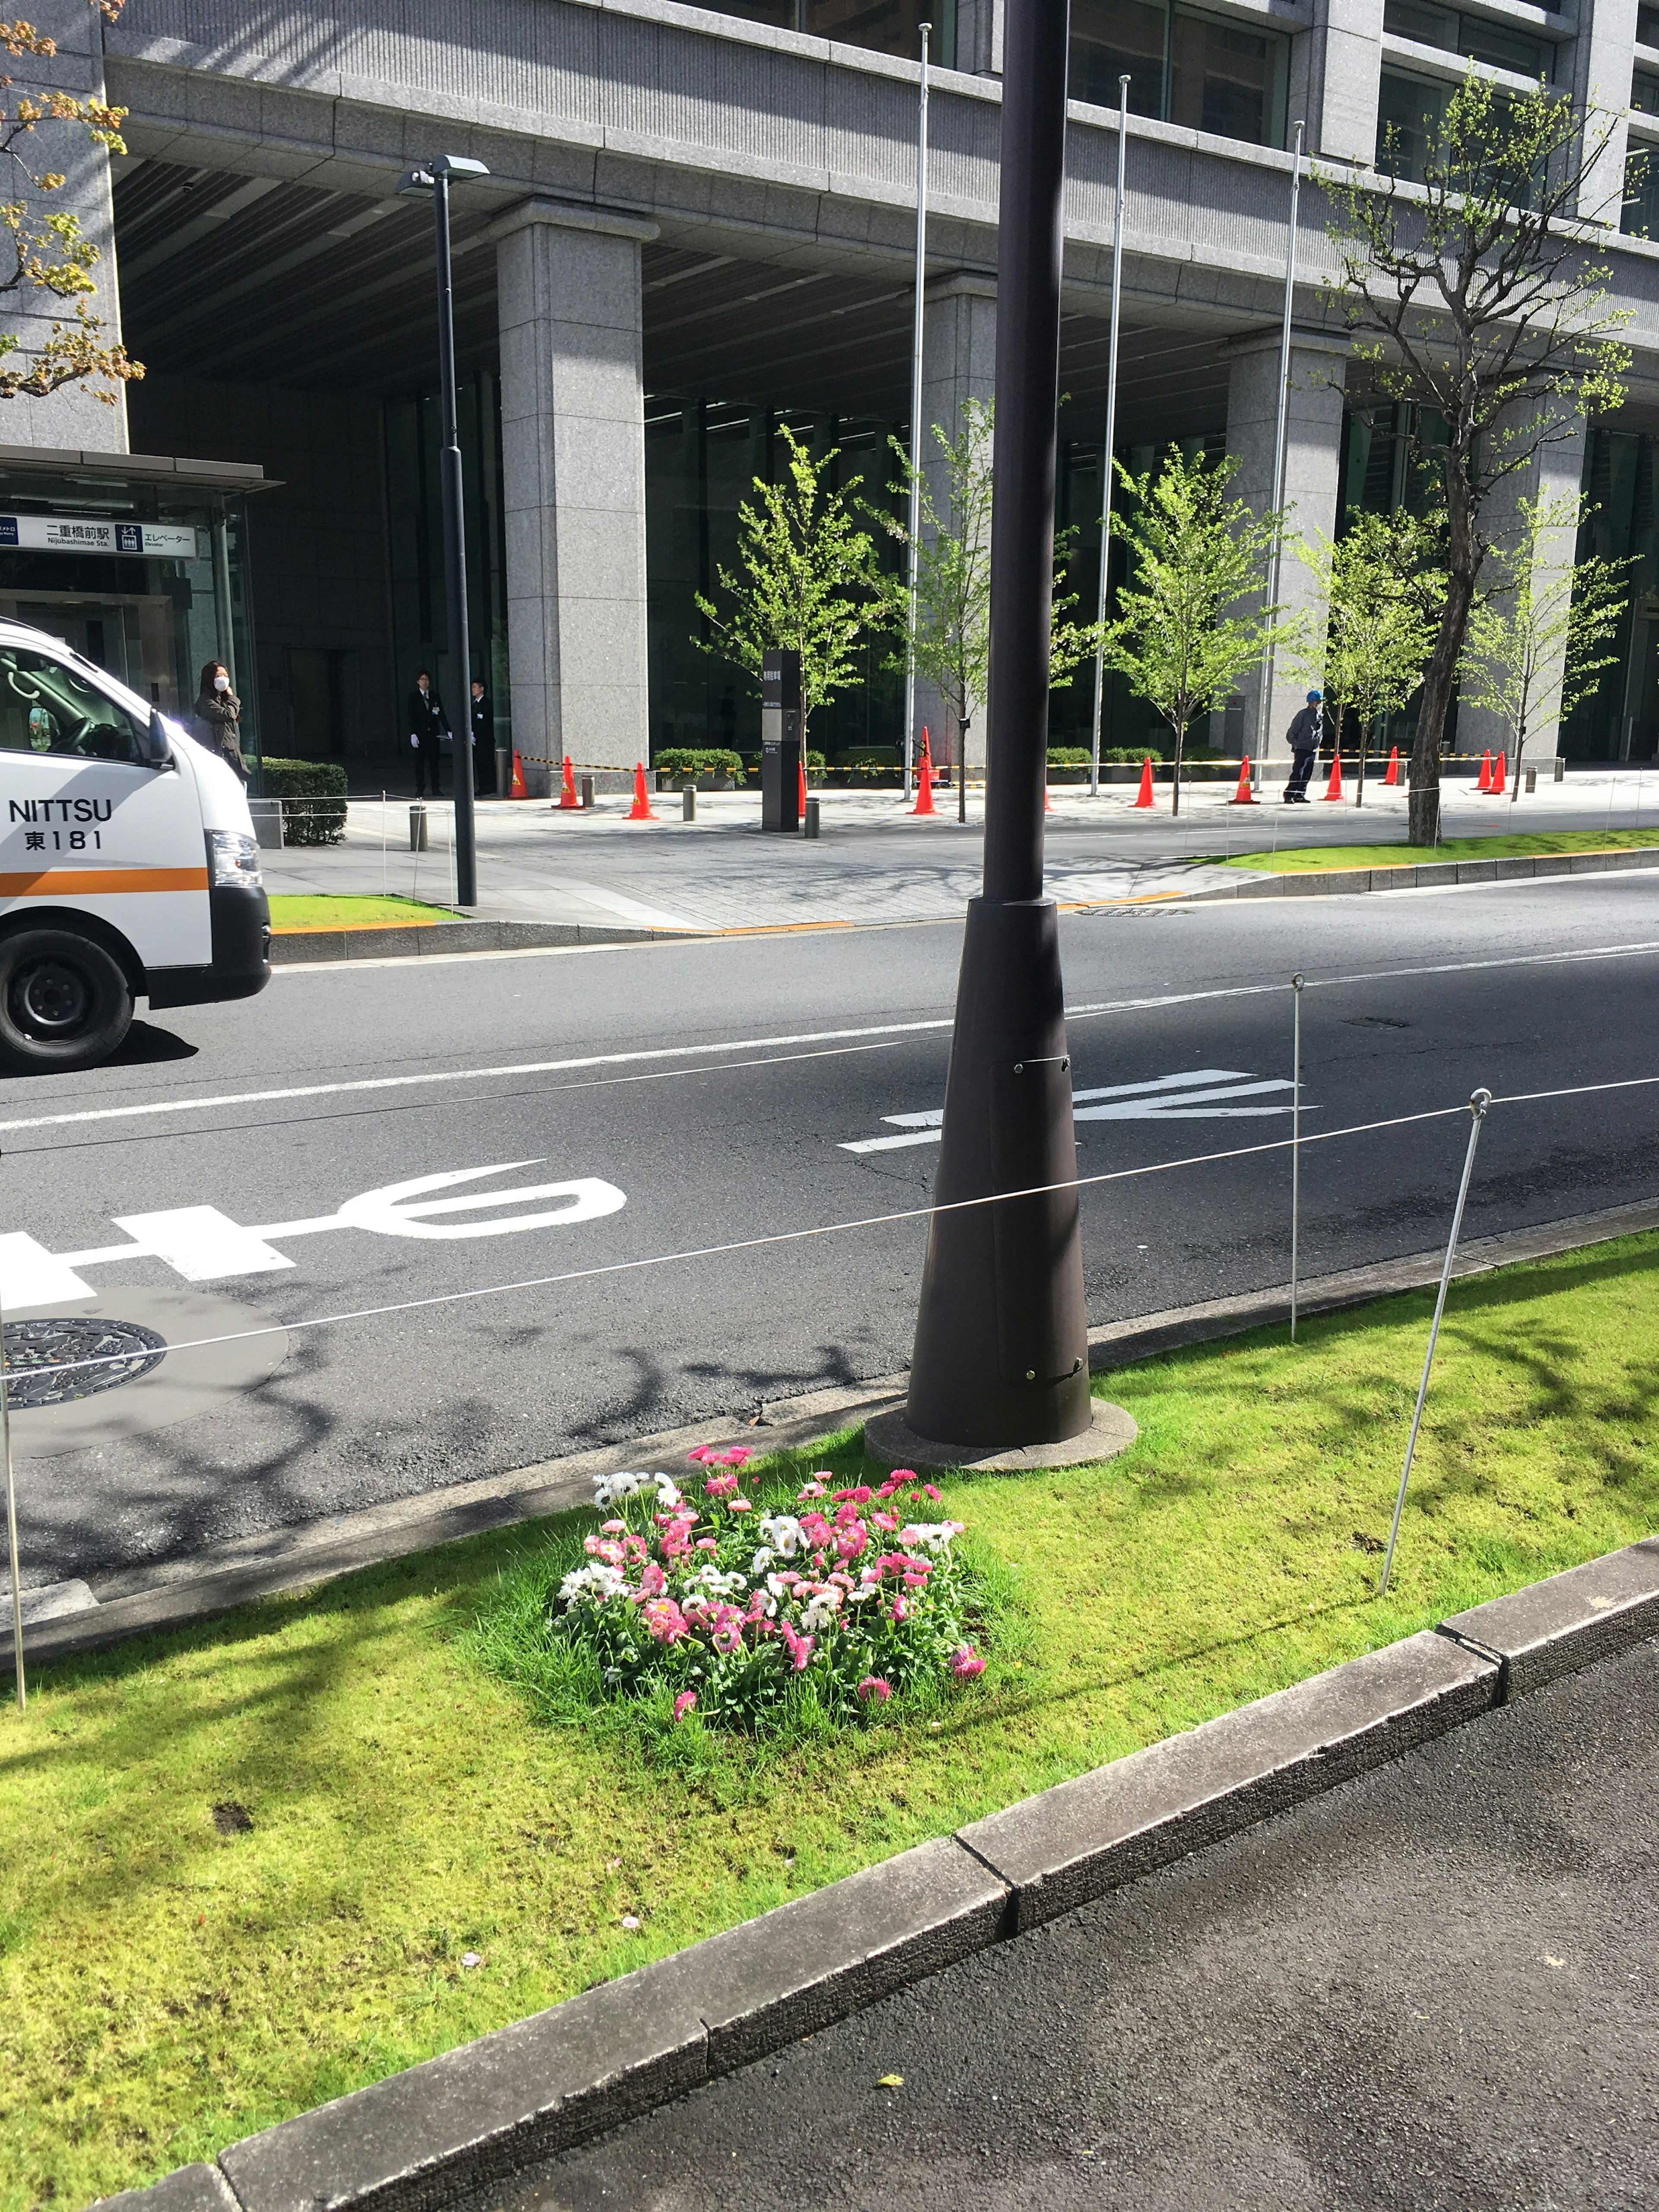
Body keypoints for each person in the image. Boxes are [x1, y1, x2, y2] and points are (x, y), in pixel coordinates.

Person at [193, 661, 246, 782]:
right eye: (218, 676)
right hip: (220, 758)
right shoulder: (206, 701)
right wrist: (233, 698)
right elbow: (229, 715)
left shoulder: (223, 701)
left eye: (226, 676)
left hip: (231, 758)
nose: (223, 679)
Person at [408, 669, 448, 797]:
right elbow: (410, 717)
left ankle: (436, 788)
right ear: (418, 682)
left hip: (433, 735)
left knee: (434, 763)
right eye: (423, 679)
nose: (425, 682)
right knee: (419, 763)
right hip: (420, 735)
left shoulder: (435, 696)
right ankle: (420, 788)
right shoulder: (413, 697)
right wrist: (413, 733)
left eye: (427, 680)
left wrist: (449, 730)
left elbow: (441, 714)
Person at [1283, 689, 1326, 803]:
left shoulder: (1319, 716)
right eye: (1317, 701)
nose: (1319, 704)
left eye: (1320, 702)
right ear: (1311, 702)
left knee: (1307, 773)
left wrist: (1317, 743)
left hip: (1312, 749)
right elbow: (1293, 731)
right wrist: (1296, 744)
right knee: (1298, 772)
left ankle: (1300, 795)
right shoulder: (1302, 715)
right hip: (1302, 748)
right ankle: (1289, 795)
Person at [470, 677, 490, 789]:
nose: (473, 690)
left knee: (485, 763)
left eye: (475, 687)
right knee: (479, 764)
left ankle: (487, 786)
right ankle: (482, 785)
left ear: (482, 689)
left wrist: (475, 734)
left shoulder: (486, 703)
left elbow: (485, 722)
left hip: (484, 739)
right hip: (477, 740)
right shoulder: (475, 704)